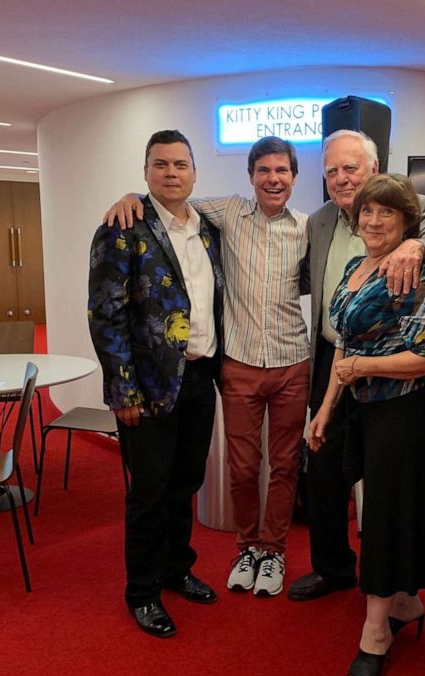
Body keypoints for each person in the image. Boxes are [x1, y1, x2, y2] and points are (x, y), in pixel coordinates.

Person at [102, 137, 310, 598]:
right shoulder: (219, 215)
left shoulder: (299, 229)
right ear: (251, 176)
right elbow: (107, 312)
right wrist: (130, 197)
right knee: (215, 474)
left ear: (295, 177)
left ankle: (255, 555)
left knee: (243, 473)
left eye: (282, 171)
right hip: (203, 372)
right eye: (263, 171)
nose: (273, 178)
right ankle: (219, 559)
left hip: (269, 364)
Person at [307, 174, 425, 676]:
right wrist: (327, 408)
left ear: (406, 223)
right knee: (389, 512)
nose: (374, 221)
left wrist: (362, 372)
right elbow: (343, 348)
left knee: (381, 518)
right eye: (367, 213)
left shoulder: (407, 272)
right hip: (365, 410)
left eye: (387, 214)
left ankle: (375, 633)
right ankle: (404, 600)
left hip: (408, 413)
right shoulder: (356, 266)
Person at [289, 129, 425, 602]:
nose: (341, 178)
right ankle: (332, 568)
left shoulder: (410, 203)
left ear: (373, 170)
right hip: (334, 354)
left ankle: (392, 589)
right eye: (333, 170)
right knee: (323, 464)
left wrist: (415, 246)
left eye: (351, 168)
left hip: (394, 370)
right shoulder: (319, 221)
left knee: (385, 479)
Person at [88, 129, 224, 638]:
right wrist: (122, 391)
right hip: (145, 386)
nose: (172, 173)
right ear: (145, 171)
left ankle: (176, 569)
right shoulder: (122, 227)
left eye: (181, 165)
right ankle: (142, 591)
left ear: (194, 172)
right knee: (149, 490)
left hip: (200, 374)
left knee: (185, 482)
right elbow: (106, 316)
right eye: (161, 164)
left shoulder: (207, 229)